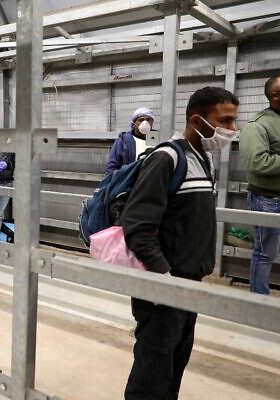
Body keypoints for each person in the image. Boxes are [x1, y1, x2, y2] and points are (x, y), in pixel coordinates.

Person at [120, 87, 239, 399]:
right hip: (166, 283)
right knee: (153, 368)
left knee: (175, 360)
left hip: (190, 281)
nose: (233, 130)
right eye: (225, 121)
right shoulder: (167, 158)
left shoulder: (204, 159)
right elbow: (137, 226)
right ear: (198, 120)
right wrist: (163, 278)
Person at [239, 74, 280, 295]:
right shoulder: (258, 125)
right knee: (265, 254)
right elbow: (257, 163)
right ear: (275, 95)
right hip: (268, 200)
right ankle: (258, 303)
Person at [105, 107, 155, 175]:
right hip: (131, 183)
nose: (145, 123)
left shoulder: (155, 139)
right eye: (141, 120)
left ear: (152, 122)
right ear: (134, 123)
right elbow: (112, 166)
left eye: (148, 119)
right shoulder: (124, 141)